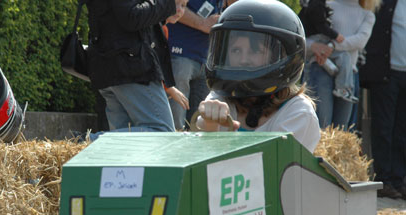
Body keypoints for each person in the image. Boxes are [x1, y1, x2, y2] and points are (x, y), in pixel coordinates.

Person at [196, 0, 321, 153]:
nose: (243, 60)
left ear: (283, 55)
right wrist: (210, 125)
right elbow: (203, 164)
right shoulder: (220, 98)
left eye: (255, 51)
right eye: (235, 50)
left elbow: (268, 170)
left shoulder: (298, 113)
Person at [84, 1, 177, 140]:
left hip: (115, 67)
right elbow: (131, 16)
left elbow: (124, 15)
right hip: (131, 68)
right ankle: (85, 142)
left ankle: (84, 144)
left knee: (126, 156)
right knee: (162, 132)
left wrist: (166, 10)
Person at [304, 0, 377, 129]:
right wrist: (314, 46)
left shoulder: (368, 15)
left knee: (341, 131)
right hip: (321, 69)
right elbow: (304, 37)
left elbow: (360, 41)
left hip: (349, 74)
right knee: (321, 126)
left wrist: (331, 46)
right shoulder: (325, 5)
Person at [359, 0, 406, 199]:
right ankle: (384, 180)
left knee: (402, 130)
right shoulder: (384, 3)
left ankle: (399, 179)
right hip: (386, 73)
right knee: (383, 128)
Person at [166, 0, 223, 130]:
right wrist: (202, 23)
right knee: (175, 128)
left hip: (205, 59)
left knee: (197, 128)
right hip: (180, 54)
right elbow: (170, 5)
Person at [299, 0, 358, 103]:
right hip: (317, 40)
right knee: (343, 56)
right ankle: (342, 88)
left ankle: (333, 71)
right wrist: (336, 36)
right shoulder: (317, 4)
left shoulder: (313, 4)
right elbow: (320, 25)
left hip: (315, 45)